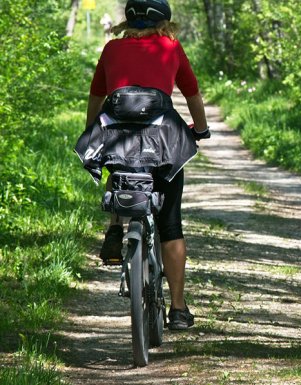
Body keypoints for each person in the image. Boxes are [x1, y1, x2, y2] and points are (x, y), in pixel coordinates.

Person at [83, 0, 209, 330]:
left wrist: (92, 130)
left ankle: (115, 225)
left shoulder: (112, 49)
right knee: (171, 224)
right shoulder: (171, 47)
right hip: (163, 141)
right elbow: (192, 93)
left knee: (117, 163)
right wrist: (202, 129)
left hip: (118, 137)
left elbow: (97, 98)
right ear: (163, 20)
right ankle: (178, 309)